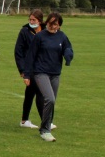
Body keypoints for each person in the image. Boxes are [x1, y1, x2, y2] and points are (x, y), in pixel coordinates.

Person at [24, 12, 73, 142]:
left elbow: (68, 48)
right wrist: (26, 74)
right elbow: (30, 55)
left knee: (51, 102)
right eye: (50, 23)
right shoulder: (39, 36)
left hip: (55, 73)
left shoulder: (62, 36)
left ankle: (46, 126)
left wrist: (68, 54)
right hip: (41, 73)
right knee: (49, 99)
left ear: (59, 25)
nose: (52, 26)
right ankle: (45, 130)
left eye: (55, 24)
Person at [14, 9, 46, 129]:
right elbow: (18, 51)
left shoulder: (46, 31)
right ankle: (46, 121)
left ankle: (24, 120)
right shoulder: (25, 31)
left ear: (40, 21)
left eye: (34, 20)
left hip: (43, 67)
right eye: (30, 19)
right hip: (30, 68)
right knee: (40, 92)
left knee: (30, 93)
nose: (31, 22)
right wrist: (22, 70)